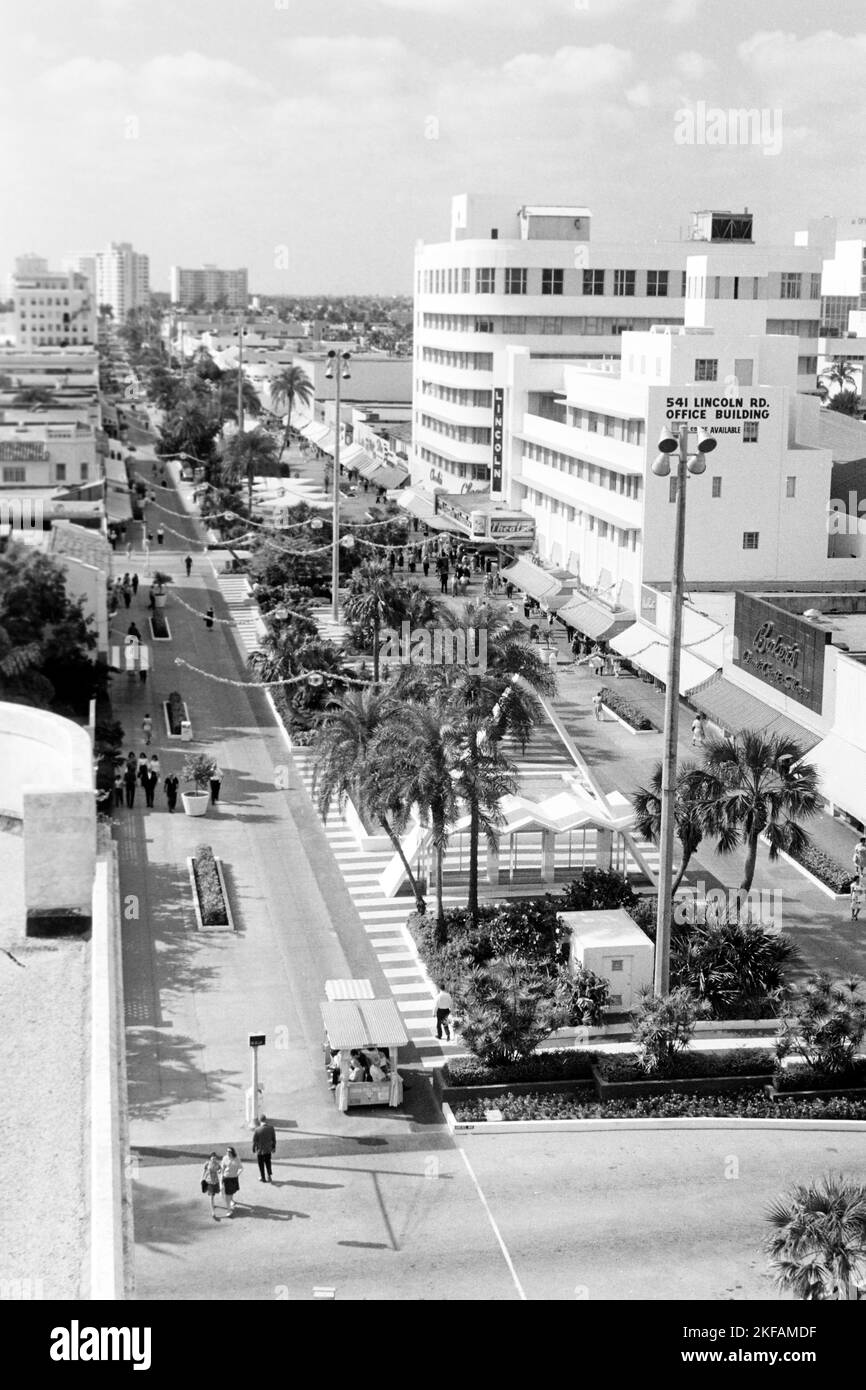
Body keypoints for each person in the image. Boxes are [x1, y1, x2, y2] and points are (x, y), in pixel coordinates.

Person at [252, 1115, 277, 1183]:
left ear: (260, 1121)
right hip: (268, 1150)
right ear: (266, 1120)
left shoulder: (257, 1129)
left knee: (261, 1164)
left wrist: (253, 1148)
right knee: (268, 1162)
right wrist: (273, 1148)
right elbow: (274, 1139)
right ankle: (269, 1175)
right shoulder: (271, 1128)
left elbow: (254, 1140)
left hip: (260, 1151)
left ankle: (263, 1177)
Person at [220, 1147, 243, 1216]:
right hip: (226, 1178)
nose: (228, 1153)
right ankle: (229, 1210)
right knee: (227, 1194)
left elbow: (241, 1168)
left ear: (232, 1152)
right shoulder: (225, 1158)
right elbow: (222, 1168)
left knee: (232, 1192)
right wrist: (221, 1177)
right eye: (227, 1151)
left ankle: (231, 1201)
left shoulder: (237, 1158)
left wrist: (237, 1174)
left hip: (234, 1178)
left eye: (229, 1152)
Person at [202, 1153, 221, 1219]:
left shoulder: (217, 1164)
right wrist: (202, 1178)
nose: (214, 1159)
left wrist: (219, 1171)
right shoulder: (207, 1163)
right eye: (213, 1157)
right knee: (211, 1197)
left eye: (215, 1158)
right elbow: (204, 1170)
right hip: (209, 1182)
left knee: (213, 1195)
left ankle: (213, 1205)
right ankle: (213, 1212)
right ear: (210, 1158)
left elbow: (220, 1169)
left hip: (215, 1182)